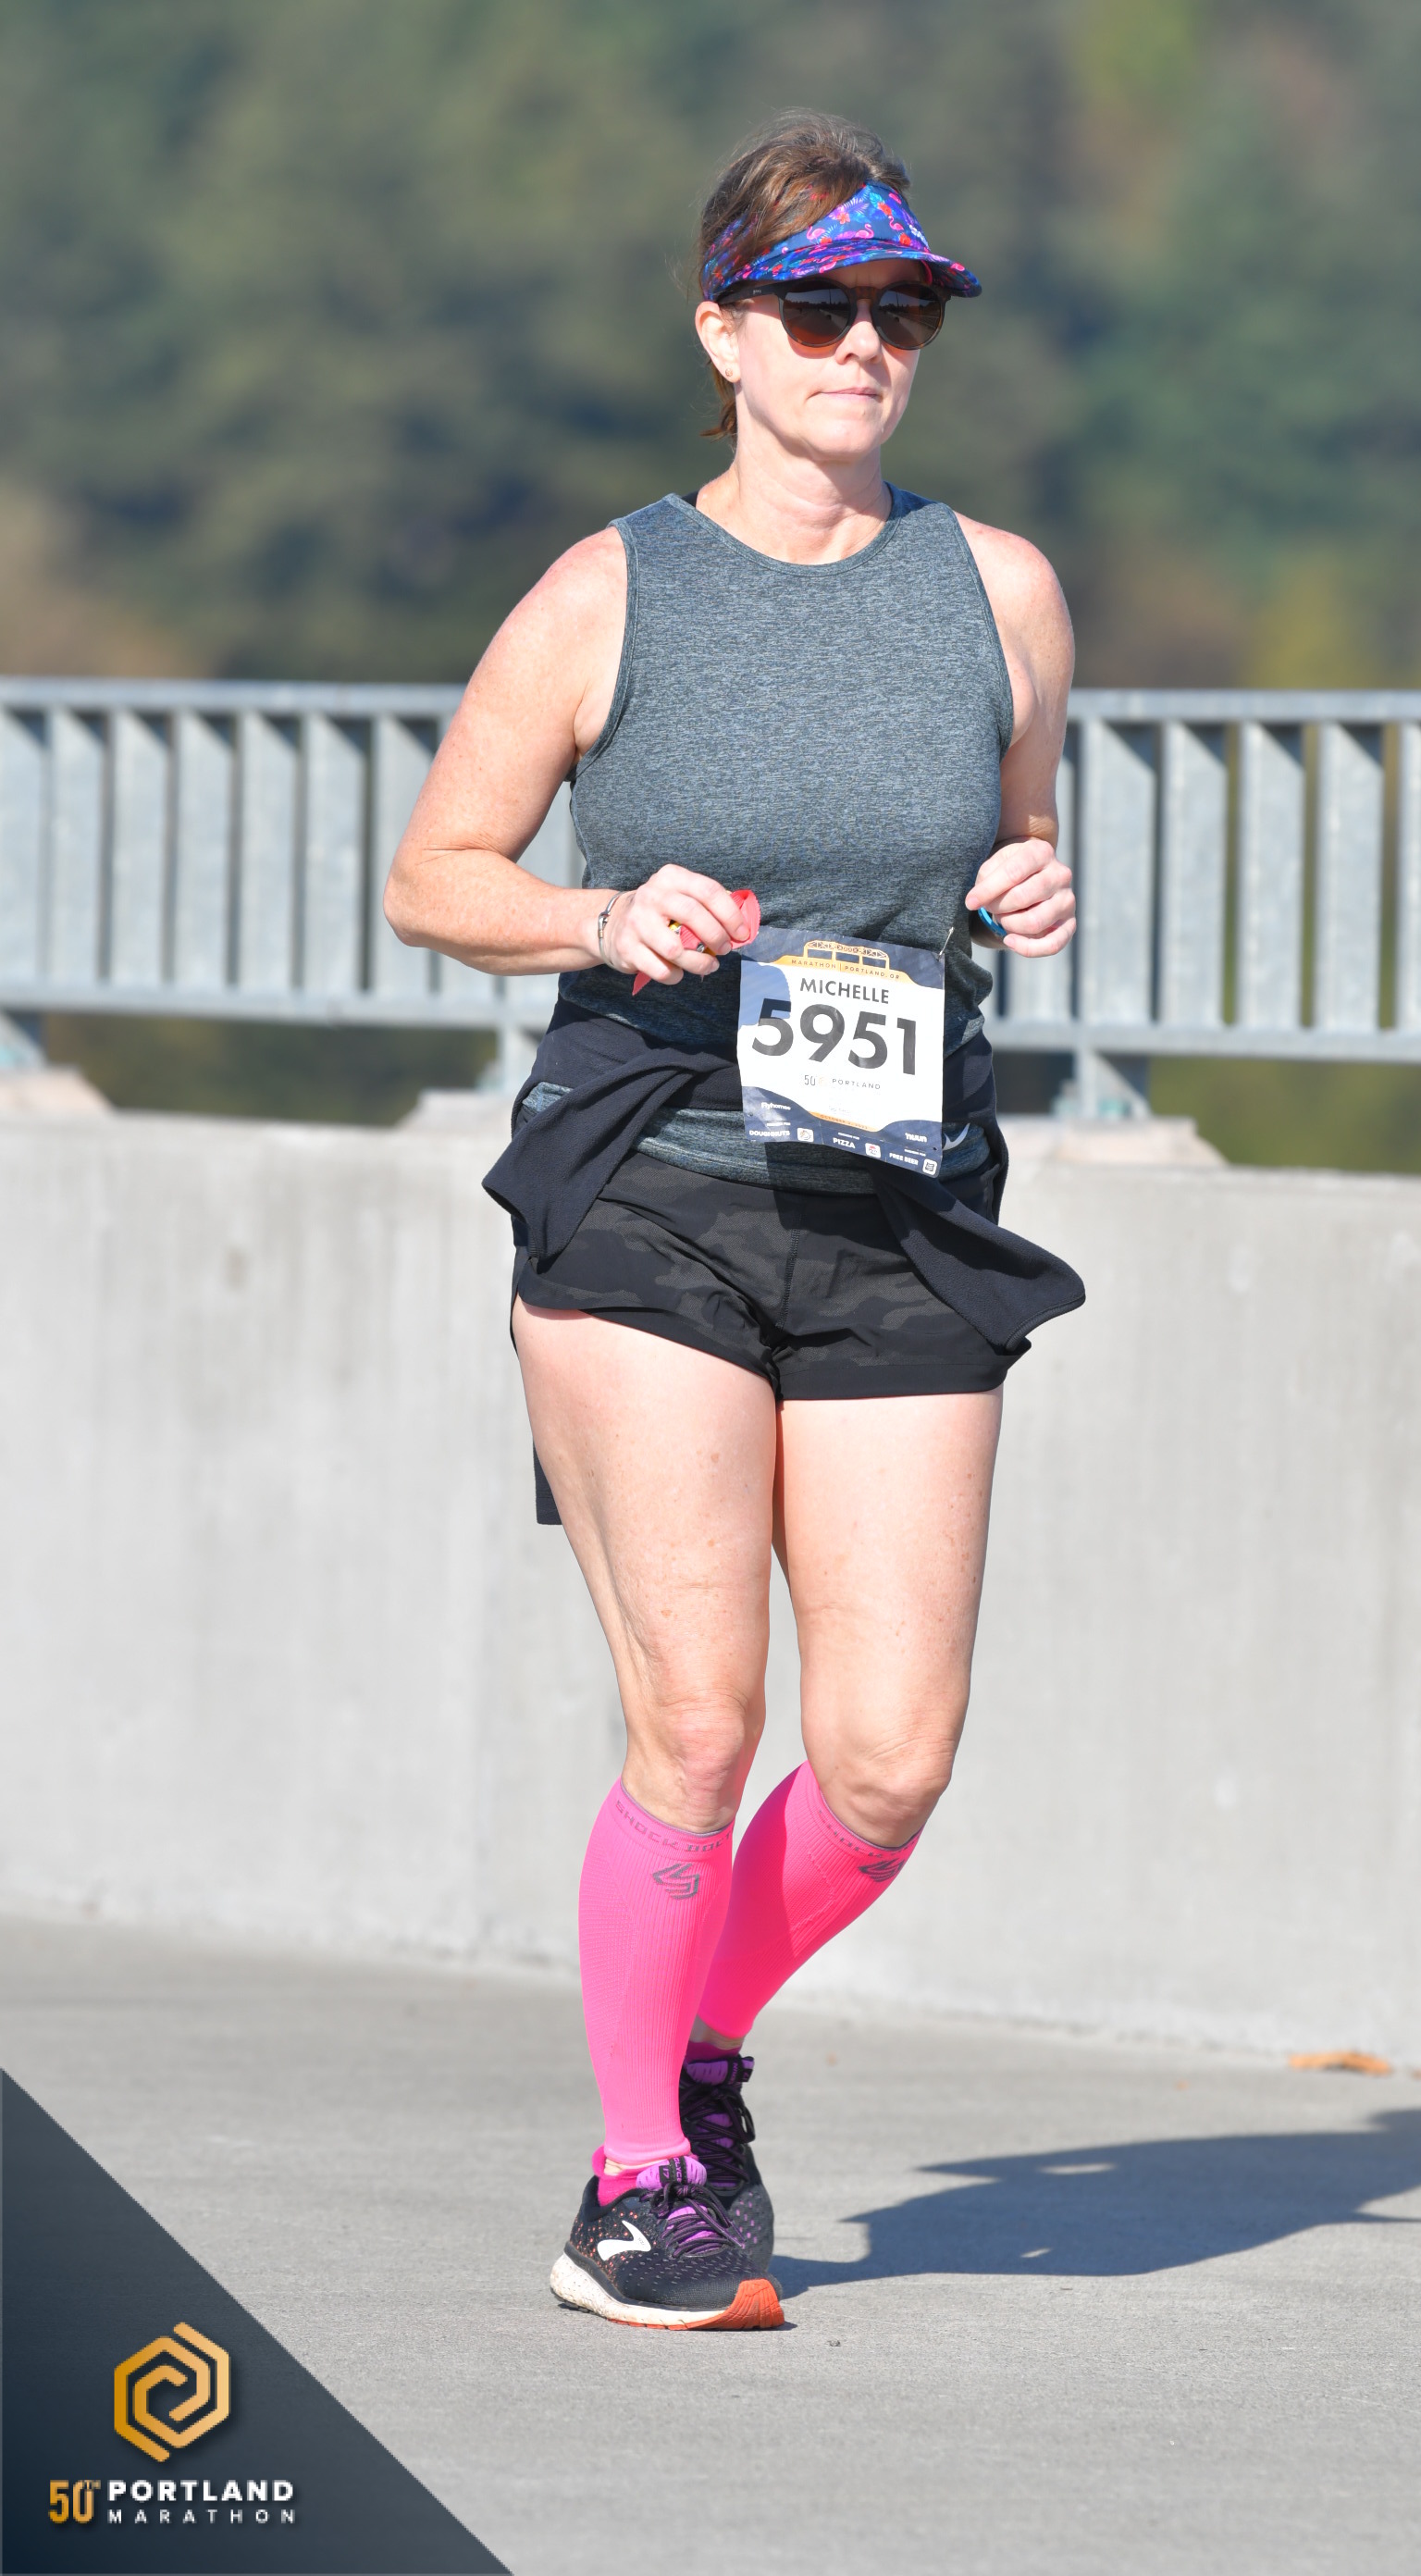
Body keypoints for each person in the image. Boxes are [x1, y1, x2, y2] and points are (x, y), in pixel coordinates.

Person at [384, 111, 1082, 2333]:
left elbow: (1008, 843)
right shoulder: (611, 592)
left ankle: (695, 2045)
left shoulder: (999, 590)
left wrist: (1028, 884)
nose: (863, 346)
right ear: (723, 336)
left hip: (896, 1199)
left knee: (883, 1763)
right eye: (815, 310)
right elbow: (435, 875)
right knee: (697, 1722)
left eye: (902, 311)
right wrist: (602, 913)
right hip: (650, 1183)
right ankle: (635, 2186)